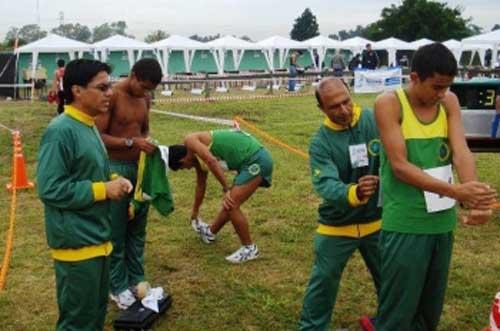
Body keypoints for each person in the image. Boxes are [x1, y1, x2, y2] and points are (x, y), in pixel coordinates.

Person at [374, 43, 497, 330]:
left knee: (430, 311)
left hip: (442, 224)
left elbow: (461, 151)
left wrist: (475, 196)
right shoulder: (389, 103)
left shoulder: (449, 102)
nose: (442, 94)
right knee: (397, 312)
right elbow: (400, 167)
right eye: (436, 87)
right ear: (414, 77)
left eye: (447, 87)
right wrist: (456, 192)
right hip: (406, 223)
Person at [37, 59, 133, 330]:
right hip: (77, 246)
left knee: (95, 317)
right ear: (77, 90)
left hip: (97, 242)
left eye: (110, 86)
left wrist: (115, 180)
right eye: (102, 87)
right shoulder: (60, 131)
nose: (110, 93)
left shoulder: (88, 125)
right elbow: (50, 188)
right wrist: (104, 189)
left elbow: (88, 172)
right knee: (78, 323)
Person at [299, 77, 381, 331]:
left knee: (392, 280)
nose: (344, 110)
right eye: (334, 106)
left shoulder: (374, 120)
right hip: (337, 225)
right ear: (321, 109)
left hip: (379, 222)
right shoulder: (320, 142)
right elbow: (325, 184)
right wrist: (354, 192)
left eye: (346, 101)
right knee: (322, 281)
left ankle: (391, 322)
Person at [95, 58, 162, 310]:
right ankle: (117, 286)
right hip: (115, 169)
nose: (145, 93)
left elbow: (143, 130)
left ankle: (137, 279)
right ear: (133, 75)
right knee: (117, 230)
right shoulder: (112, 96)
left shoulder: (144, 98)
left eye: (149, 90)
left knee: (137, 228)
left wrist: (147, 143)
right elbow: (98, 137)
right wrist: (131, 143)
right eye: (142, 86)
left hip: (140, 169)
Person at [167, 129, 273, 263]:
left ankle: (249, 249)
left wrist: (226, 188)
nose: (188, 169)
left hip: (256, 159)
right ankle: (210, 233)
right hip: (250, 161)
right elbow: (201, 186)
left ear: (182, 160)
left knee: (231, 204)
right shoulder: (198, 159)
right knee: (230, 204)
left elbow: (211, 160)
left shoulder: (190, 140)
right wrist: (195, 212)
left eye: (184, 168)